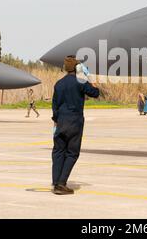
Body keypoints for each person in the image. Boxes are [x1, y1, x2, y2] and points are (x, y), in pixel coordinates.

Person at [51, 56, 100, 195]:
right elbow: (95, 93)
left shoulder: (58, 84)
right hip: (75, 122)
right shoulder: (81, 81)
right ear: (77, 68)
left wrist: (56, 120)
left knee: (58, 152)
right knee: (72, 153)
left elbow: (55, 105)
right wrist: (89, 77)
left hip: (60, 122)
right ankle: (61, 183)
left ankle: (56, 182)